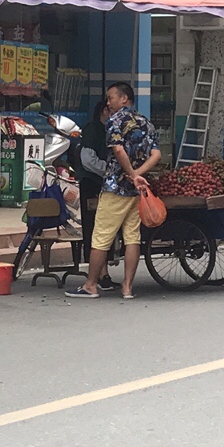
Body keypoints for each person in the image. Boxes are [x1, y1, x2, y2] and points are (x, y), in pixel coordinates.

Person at [66, 81, 161, 300]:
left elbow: (117, 149)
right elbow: (156, 155)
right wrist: (139, 175)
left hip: (115, 188)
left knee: (101, 237)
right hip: (136, 192)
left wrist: (131, 173)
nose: (108, 102)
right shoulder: (145, 122)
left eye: (111, 98)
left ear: (124, 99)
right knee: (132, 238)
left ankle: (91, 285)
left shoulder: (114, 121)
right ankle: (127, 287)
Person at [77, 100, 113, 291]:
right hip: (92, 184)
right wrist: (108, 171)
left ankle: (103, 273)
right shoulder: (93, 129)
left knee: (105, 228)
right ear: (104, 111)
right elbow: (88, 159)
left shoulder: (111, 130)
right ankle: (99, 274)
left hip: (105, 185)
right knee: (94, 228)